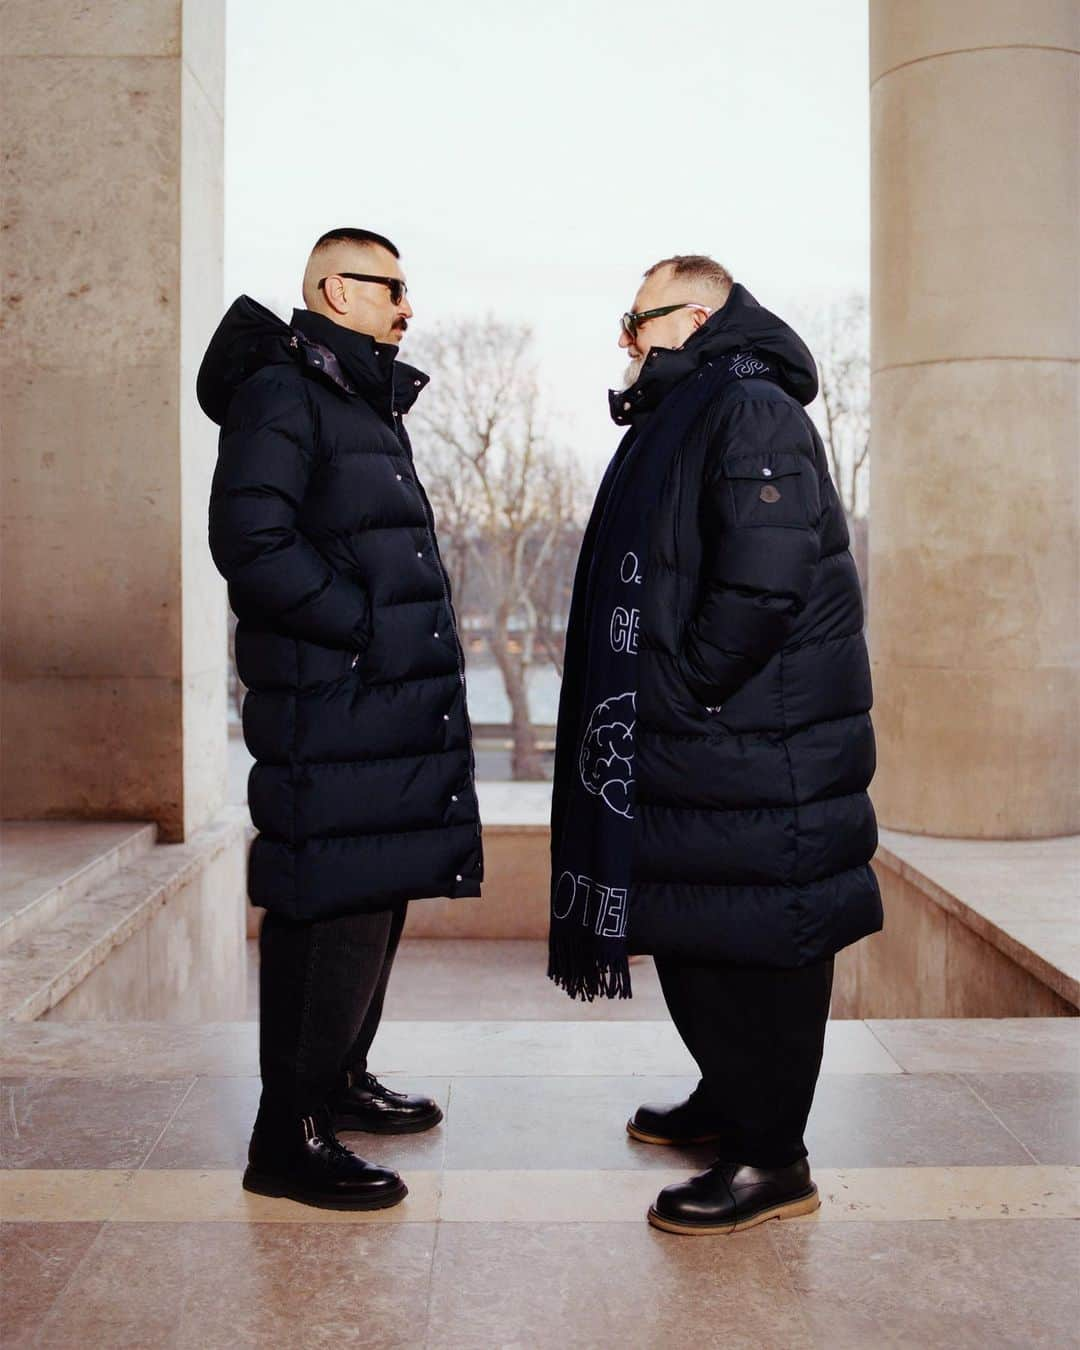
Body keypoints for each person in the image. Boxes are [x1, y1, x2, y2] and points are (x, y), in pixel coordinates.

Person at [548, 254, 882, 1235]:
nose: (625, 338)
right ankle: (732, 1099)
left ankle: (773, 1159)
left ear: (696, 314)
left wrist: (682, 684)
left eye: (636, 318)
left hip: (754, 741)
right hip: (718, 740)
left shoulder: (747, 408)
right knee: (704, 932)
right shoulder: (697, 409)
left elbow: (765, 578)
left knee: (758, 946)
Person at [199, 227, 482, 1210]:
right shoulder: (285, 392)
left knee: (376, 885)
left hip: (374, 704)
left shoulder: (352, 396)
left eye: (410, 287)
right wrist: (359, 628)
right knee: (329, 902)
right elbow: (250, 539)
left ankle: (340, 1081)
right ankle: (290, 1134)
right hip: (333, 703)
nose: (409, 305)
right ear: (331, 287)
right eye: (389, 286)